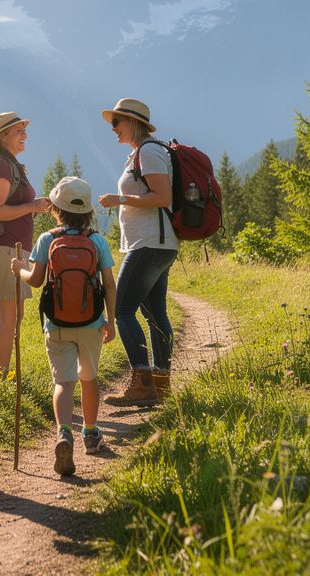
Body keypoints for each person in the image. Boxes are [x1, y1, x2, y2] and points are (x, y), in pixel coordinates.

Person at [11, 176, 116, 476]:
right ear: (89, 211)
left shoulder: (47, 239)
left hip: (56, 323)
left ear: (56, 209)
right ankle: (91, 435)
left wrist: (20, 269)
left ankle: (64, 433)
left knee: (63, 382)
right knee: (89, 377)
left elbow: (36, 280)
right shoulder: (97, 241)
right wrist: (110, 321)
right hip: (92, 322)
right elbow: (109, 284)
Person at [97, 98, 178, 406]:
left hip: (149, 244)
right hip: (158, 244)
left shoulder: (149, 152)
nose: (113, 128)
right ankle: (160, 386)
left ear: (133, 122)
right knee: (155, 315)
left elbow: (162, 196)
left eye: (116, 122)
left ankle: (141, 384)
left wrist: (119, 199)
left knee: (121, 310)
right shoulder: (142, 153)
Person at [0, 111, 51, 377]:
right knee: (9, 314)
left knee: (14, 313)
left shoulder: (7, 164)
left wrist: (32, 208)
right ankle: (0, 375)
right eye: (18, 131)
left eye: (24, 130)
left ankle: (3, 372)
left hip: (10, 247)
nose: (25, 135)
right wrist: (32, 206)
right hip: (4, 247)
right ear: (3, 136)